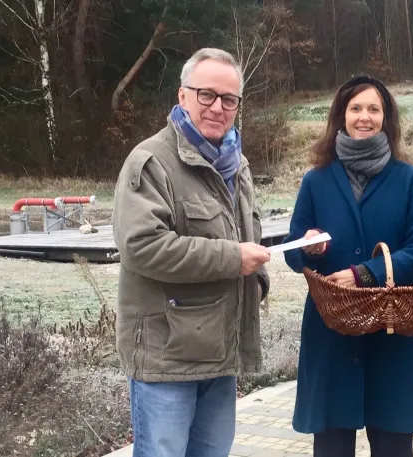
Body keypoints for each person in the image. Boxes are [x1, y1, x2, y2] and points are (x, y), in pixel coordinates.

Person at [111, 47, 272, 457]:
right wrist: (234, 259)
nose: (218, 107)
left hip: (219, 355)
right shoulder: (151, 162)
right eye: (206, 94)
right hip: (167, 361)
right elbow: (142, 246)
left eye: (229, 99)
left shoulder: (237, 164)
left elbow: (246, 230)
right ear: (182, 96)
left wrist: (259, 277)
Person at [282, 75, 413, 457]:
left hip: (392, 331)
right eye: (356, 108)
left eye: (373, 109)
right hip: (332, 332)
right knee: (333, 447)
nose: (364, 117)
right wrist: (311, 249)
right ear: (341, 116)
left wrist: (365, 274)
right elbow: (292, 250)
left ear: (386, 118)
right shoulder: (316, 181)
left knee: (393, 448)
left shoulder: (409, 180)